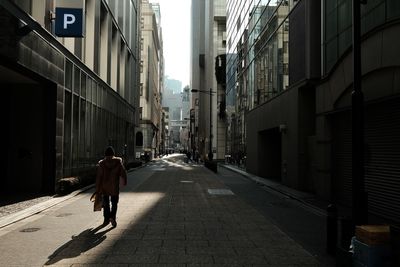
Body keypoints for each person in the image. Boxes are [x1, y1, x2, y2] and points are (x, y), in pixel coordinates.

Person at [95, 146, 127, 227]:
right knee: (114, 203)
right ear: (113, 154)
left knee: (106, 204)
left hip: (104, 187)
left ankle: (106, 220)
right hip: (114, 186)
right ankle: (113, 217)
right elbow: (123, 173)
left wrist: (97, 188)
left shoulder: (102, 164)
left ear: (105, 155)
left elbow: (99, 177)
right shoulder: (118, 162)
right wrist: (124, 182)